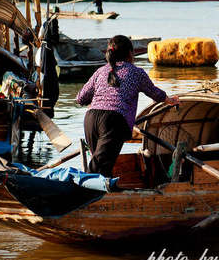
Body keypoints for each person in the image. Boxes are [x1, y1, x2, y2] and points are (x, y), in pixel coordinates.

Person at [76, 35, 179, 175]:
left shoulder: (100, 71)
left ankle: (104, 193)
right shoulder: (136, 72)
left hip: (91, 118)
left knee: (100, 165)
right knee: (99, 168)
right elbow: (154, 93)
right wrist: (170, 100)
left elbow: (81, 98)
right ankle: (87, 194)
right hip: (113, 120)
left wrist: (101, 97)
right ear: (131, 53)